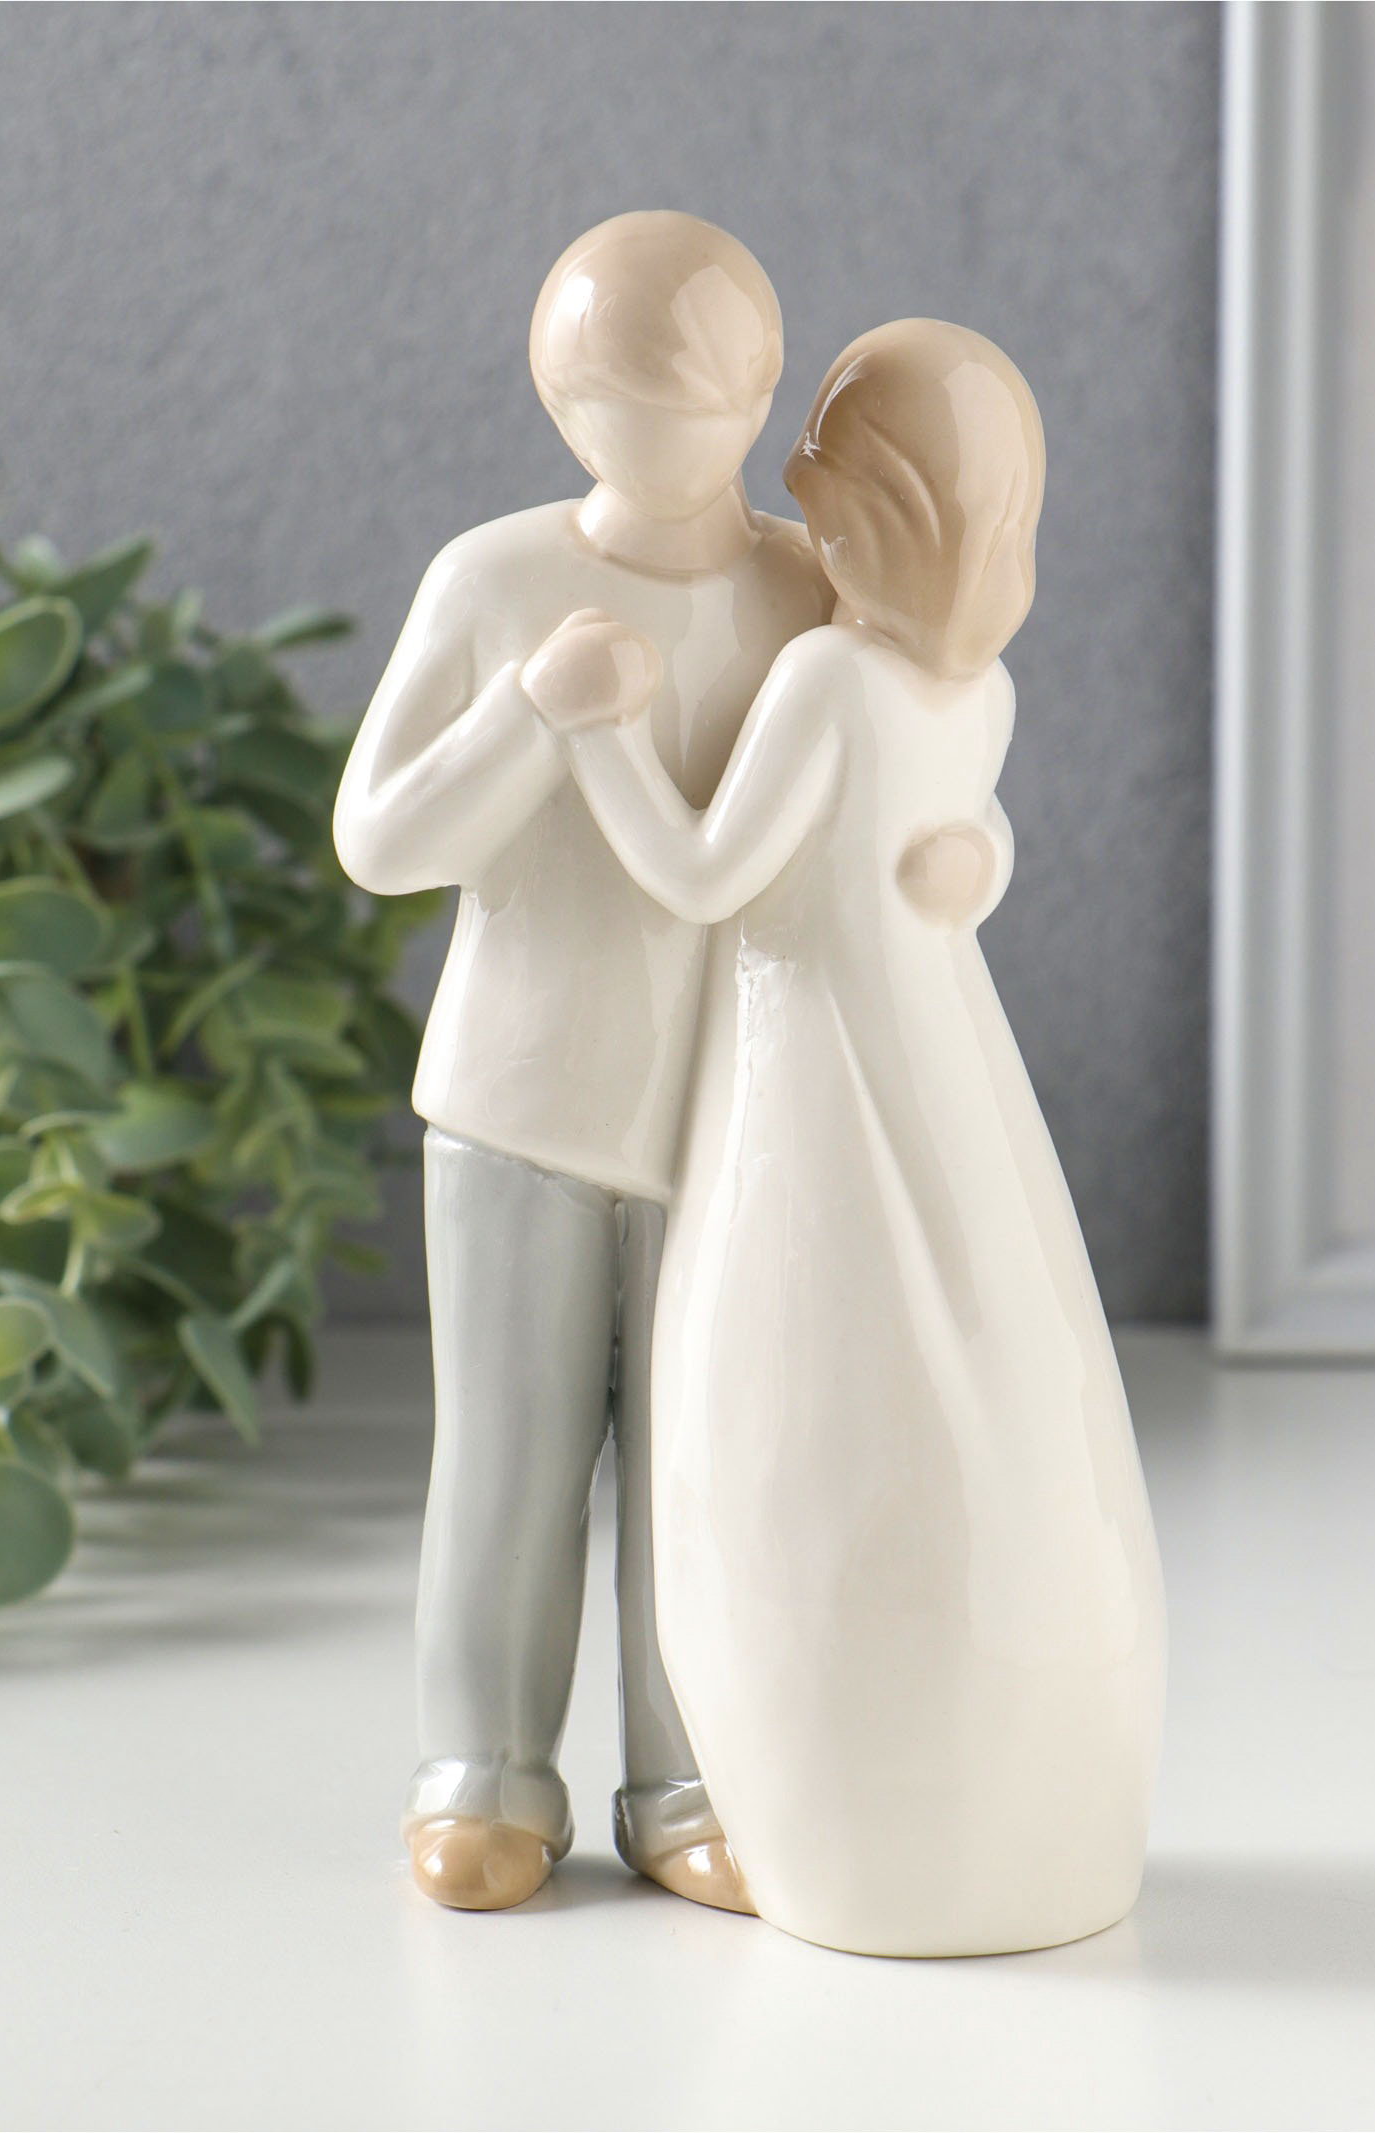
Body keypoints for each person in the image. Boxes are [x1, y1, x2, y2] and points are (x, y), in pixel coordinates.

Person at [523, 321, 1167, 1957]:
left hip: (805, 1057)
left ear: (874, 514)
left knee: (795, 1383)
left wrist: (595, 730)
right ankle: (1015, 1813)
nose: (792, 488)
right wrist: (970, 868)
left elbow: (701, 875)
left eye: (821, 464)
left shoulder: (827, 678)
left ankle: (853, 1828)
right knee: (994, 1357)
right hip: (941, 1051)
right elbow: (970, 838)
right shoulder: (978, 685)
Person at [334, 212, 828, 1914]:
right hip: (522, 1095)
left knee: (707, 1449)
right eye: (630, 401)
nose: (678, 434)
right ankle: (483, 1766)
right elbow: (382, 839)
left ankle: (694, 1773)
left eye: (711, 397)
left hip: (734, 1100)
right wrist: (529, 714)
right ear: (561, 405)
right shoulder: (493, 581)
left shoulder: (800, 590)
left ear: (762, 390)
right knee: (510, 1455)